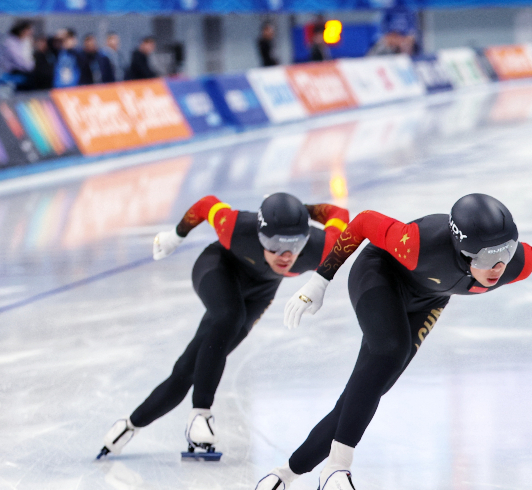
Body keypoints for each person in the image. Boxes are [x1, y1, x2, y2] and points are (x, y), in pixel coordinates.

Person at [241, 194, 532, 490]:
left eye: (506, 251)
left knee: (365, 391)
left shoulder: (517, 264)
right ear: (461, 249)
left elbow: (517, 255)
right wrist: (321, 279)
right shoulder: (419, 244)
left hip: (429, 301)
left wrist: (503, 255)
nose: (498, 266)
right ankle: (336, 469)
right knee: (390, 351)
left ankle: (282, 477)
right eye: (486, 257)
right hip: (379, 275)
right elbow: (364, 221)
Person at [97, 194, 349, 460]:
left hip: (259, 294)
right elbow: (206, 204)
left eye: (295, 243)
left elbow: (340, 215)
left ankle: (129, 425)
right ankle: (201, 414)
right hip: (218, 268)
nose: (285, 255)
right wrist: (176, 235)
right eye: (274, 244)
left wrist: (303, 212)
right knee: (229, 316)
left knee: (190, 368)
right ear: (260, 234)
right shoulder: (236, 227)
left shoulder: (322, 247)